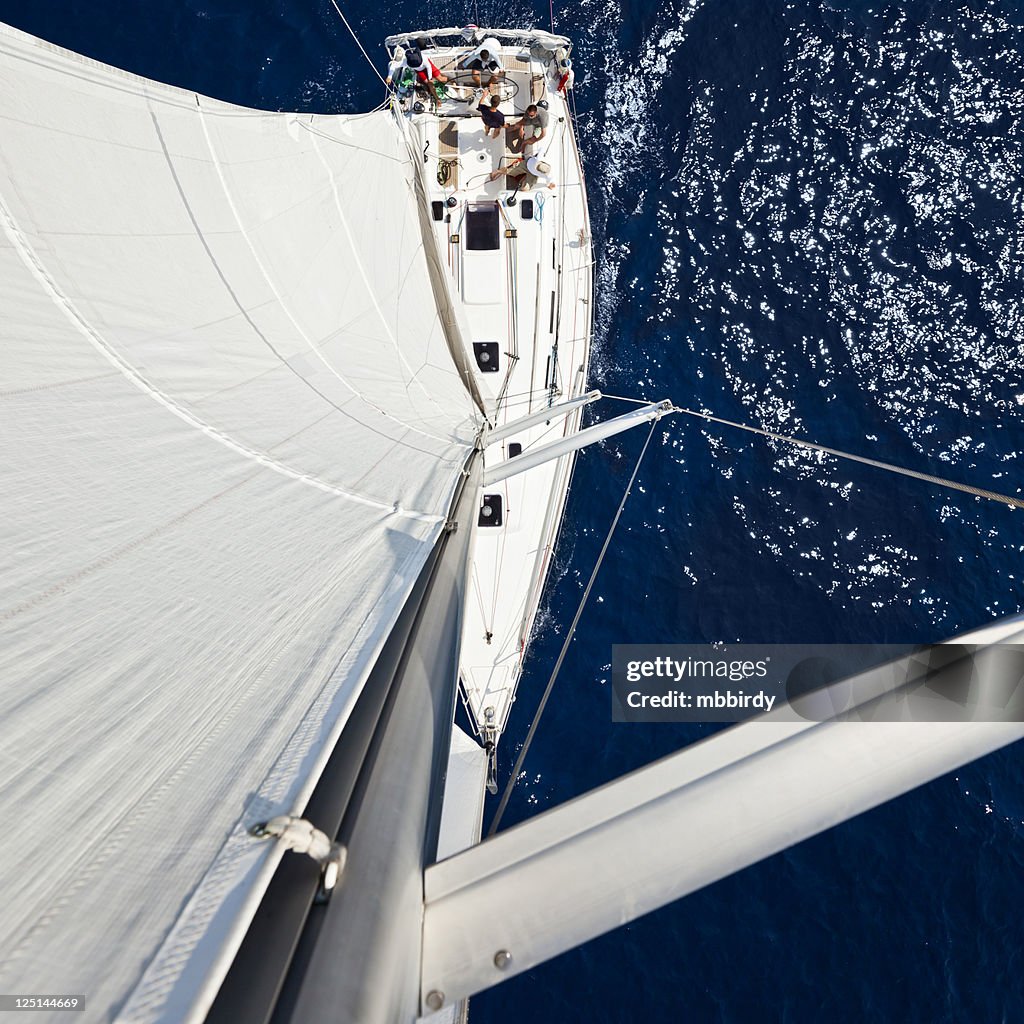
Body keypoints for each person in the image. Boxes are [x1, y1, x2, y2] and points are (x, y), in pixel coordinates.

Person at [488, 154, 556, 192]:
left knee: (525, 189)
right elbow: (541, 149)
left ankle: (522, 182)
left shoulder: (549, 176)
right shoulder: (541, 158)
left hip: (533, 175)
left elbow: (549, 184)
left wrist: (550, 186)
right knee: (510, 171)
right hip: (526, 164)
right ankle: (497, 171)